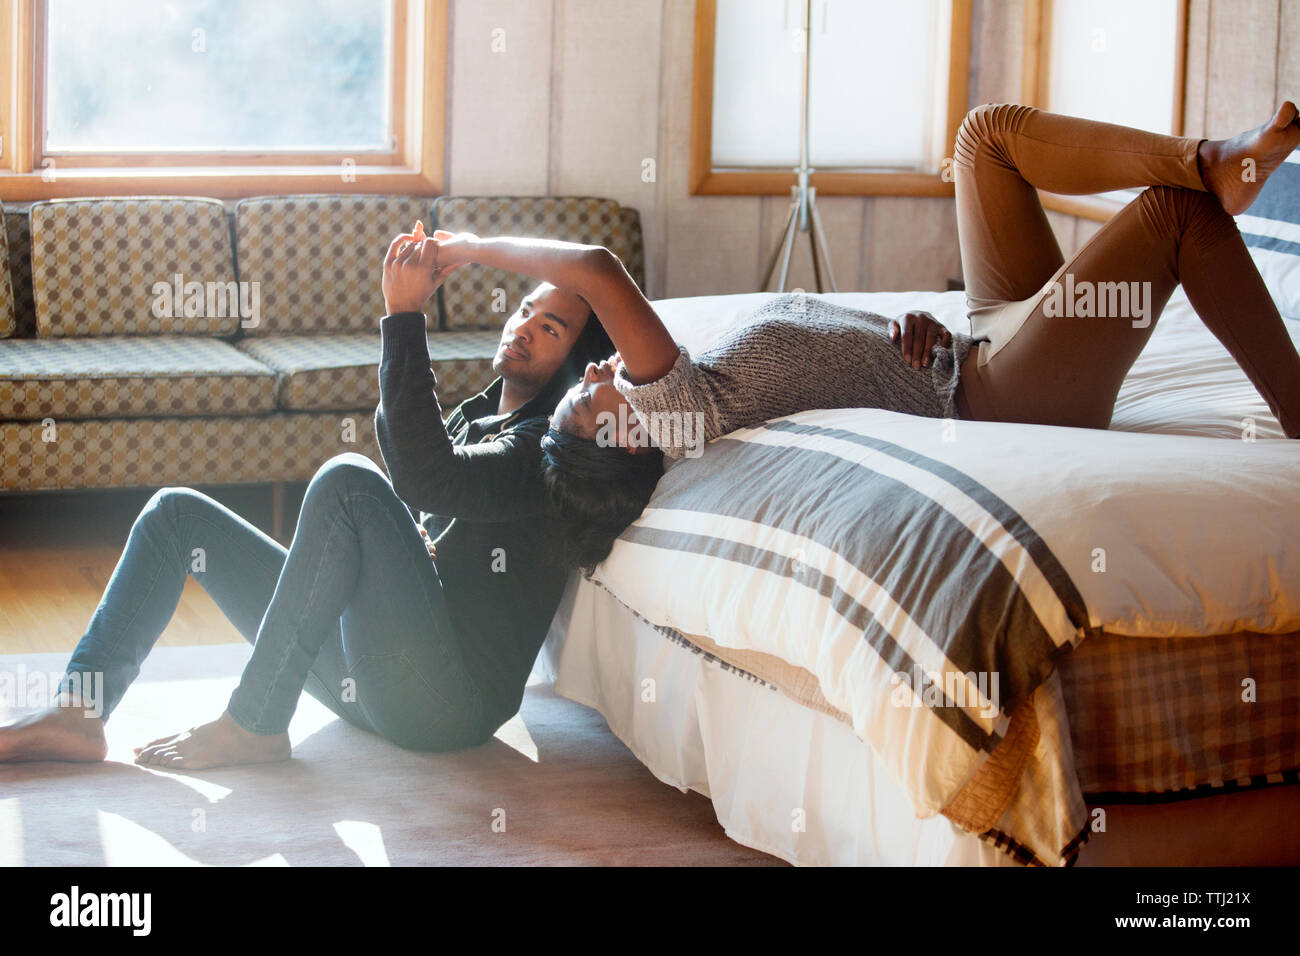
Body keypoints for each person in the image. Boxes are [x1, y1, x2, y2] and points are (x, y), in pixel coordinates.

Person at [409, 102, 1300, 571]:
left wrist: (905, 330)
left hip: (974, 345)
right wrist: (470, 246)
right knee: (1174, 222)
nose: (596, 365)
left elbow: (833, 356)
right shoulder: (675, 411)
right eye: (590, 393)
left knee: (982, 137)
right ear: (620, 432)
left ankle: (1212, 157)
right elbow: (598, 268)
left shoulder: (683, 391)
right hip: (1005, 396)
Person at [0, 220, 613, 769]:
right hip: (373, 673)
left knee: (347, 480)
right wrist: (403, 317)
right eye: (527, 310)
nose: (526, 328)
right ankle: (78, 711)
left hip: (443, 706)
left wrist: (404, 319)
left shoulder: (547, 450)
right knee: (175, 513)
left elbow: (427, 478)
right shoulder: (480, 414)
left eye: (551, 328)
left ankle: (255, 721)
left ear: (573, 366)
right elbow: (413, 464)